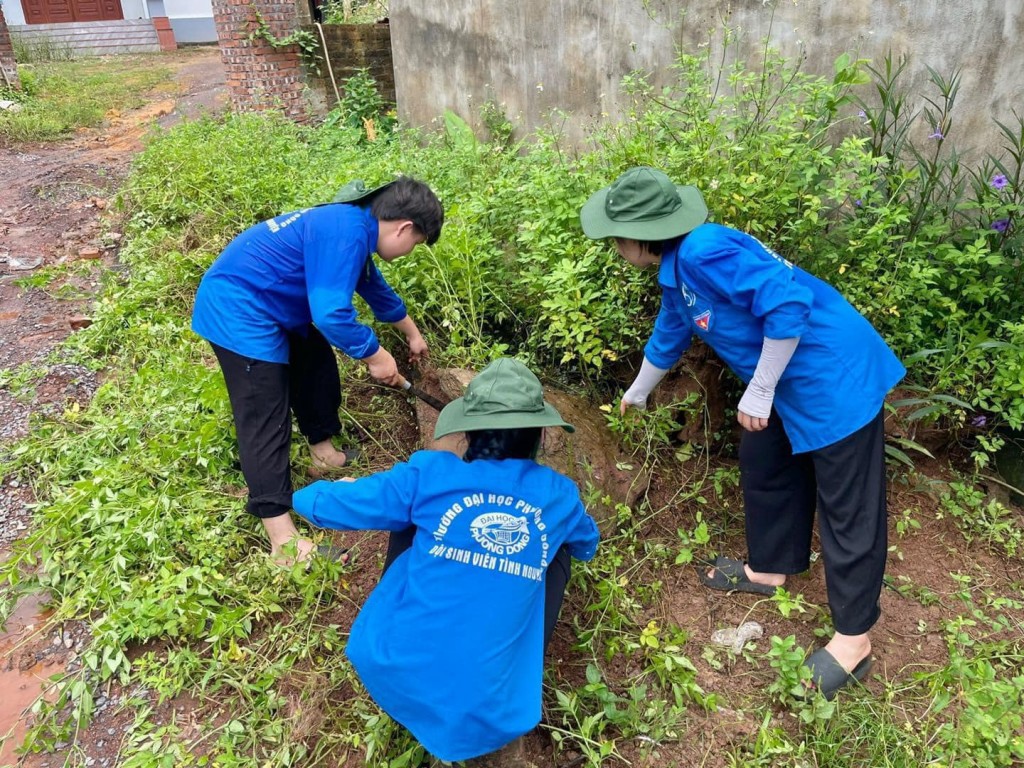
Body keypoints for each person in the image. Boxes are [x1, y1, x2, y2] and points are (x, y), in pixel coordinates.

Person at [580, 166, 905, 700]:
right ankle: (769, 568)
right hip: (781, 383)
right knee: (765, 461)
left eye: (616, 234)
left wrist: (758, 391)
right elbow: (670, 332)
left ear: (642, 233)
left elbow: (788, 306)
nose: (613, 245)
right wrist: (637, 391)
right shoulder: (676, 270)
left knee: (850, 506)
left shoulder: (706, 250)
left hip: (828, 375)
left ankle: (854, 641)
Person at [292, 358, 600, 765]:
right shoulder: (560, 495)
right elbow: (587, 544)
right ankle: (504, 657)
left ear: (468, 429)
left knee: (409, 518)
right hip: (496, 707)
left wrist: (344, 486)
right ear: (539, 433)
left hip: (398, 670)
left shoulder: (429, 474)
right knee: (560, 549)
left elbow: (311, 504)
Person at [191, 176, 443, 562]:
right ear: (404, 227)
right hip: (239, 308)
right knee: (264, 412)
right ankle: (284, 543)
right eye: (416, 245)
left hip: (273, 307)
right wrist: (376, 356)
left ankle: (323, 454)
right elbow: (331, 314)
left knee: (316, 363)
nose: (410, 252)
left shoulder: (355, 227)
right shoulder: (345, 230)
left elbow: (376, 291)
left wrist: (412, 335)